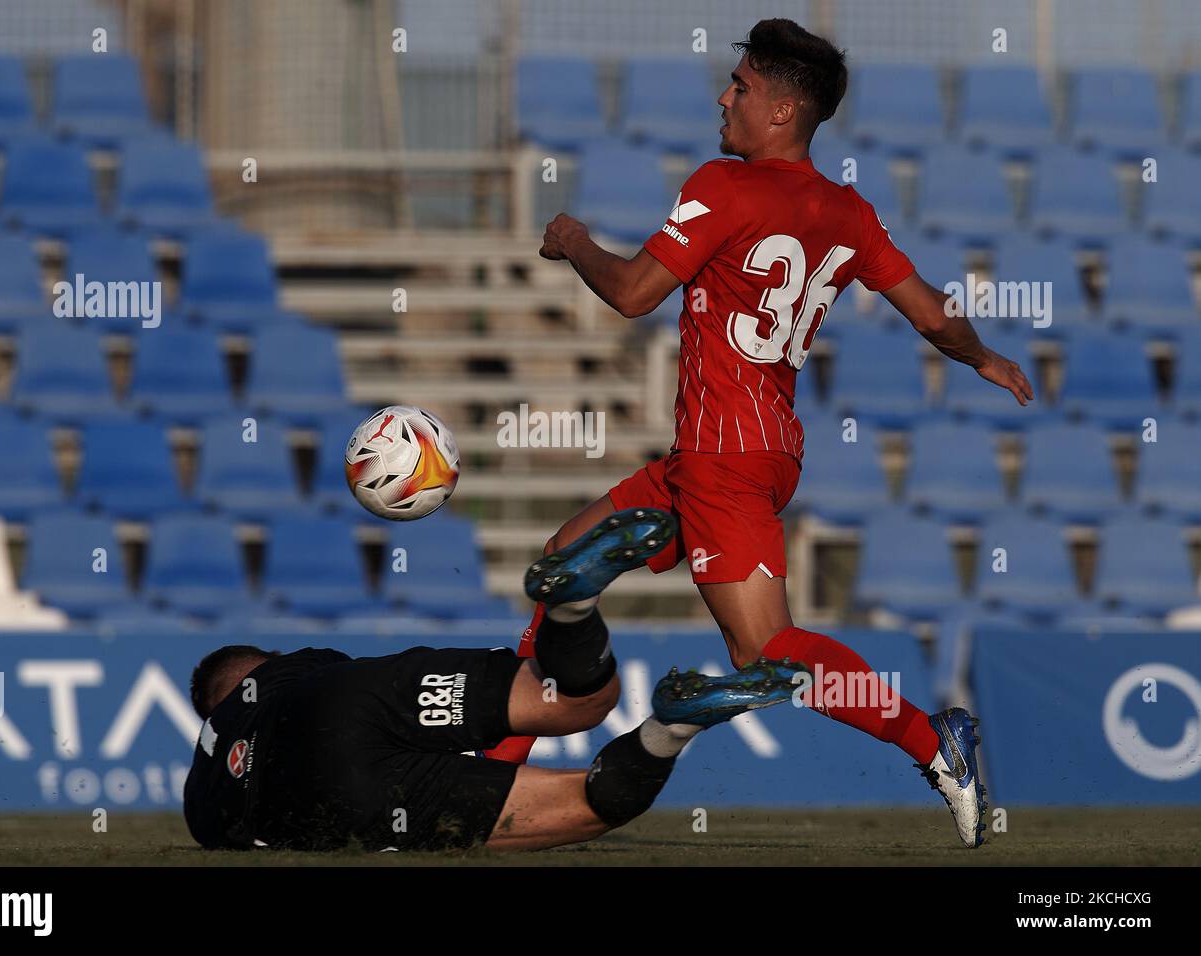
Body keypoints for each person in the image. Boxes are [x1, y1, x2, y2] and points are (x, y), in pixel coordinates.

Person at [495, 18, 1018, 848]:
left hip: (721, 454)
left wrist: (573, 242)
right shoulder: (848, 211)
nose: (723, 96)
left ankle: (934, 743)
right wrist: (983, 355)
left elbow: (634, 294)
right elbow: (930, 313)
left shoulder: (725, 184)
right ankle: (498, 772)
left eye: (739, 86)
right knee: (563, 567)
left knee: (767, 652)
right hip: (755, 448)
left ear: (780, 111)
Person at [183, 508, 807, 852]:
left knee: (588, 805)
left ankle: (669, 727)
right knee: (579, 700)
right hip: (355, 696)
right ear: (262, 664)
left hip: (334, 797)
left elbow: (229, 836)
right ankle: (570, 611)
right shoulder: (299, 668)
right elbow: (343, 687)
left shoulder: (202, 793)